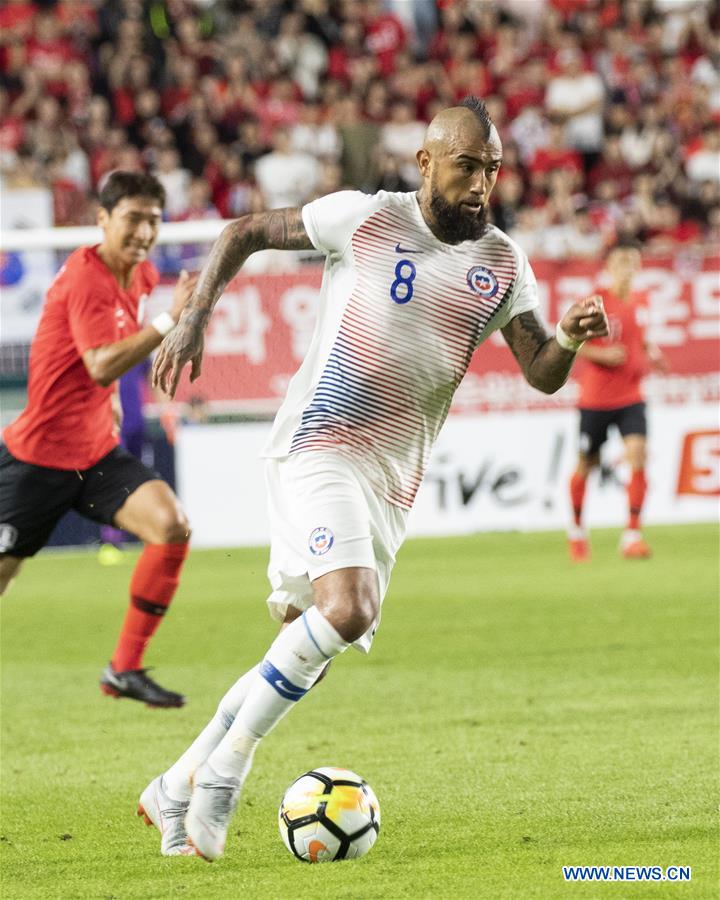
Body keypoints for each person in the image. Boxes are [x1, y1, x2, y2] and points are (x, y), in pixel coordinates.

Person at [143, 97, 608, 859]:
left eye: (491, 169)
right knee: (350, 609)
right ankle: (225, 774)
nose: (481, 184)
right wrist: (194, 315)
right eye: (466, 166)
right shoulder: (365, 217)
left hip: (392, 480)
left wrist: (565, 336)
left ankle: (177, 779)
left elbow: (542, 374)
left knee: (307, 646)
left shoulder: (501, 263)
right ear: (426, 162)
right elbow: (245, 231)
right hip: (320, 442)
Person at [0, 171, 197, 708]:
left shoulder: (138, 273)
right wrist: (169, 320)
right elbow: (99, 362)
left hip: (94, 455)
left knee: (171, 526)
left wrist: (108, 400)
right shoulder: (85, 276)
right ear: (103, 219)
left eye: (153, 221)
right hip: (35, 461)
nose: (143, 232)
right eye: (132, 219)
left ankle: (124, 669)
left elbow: (102, 358)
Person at [567, 239, 668, 562]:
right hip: (595, 400)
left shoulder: (641, 300)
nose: (627, 268)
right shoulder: (595, 303)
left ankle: (632, 535)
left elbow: (639, 336)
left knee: (637, 455)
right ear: (609, 267)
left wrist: (651, 351)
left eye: (632, 261)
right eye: (621, 261)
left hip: (631, 396)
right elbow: (571, 343)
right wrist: (602, 353)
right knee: (587, 464)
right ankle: (578, 532)